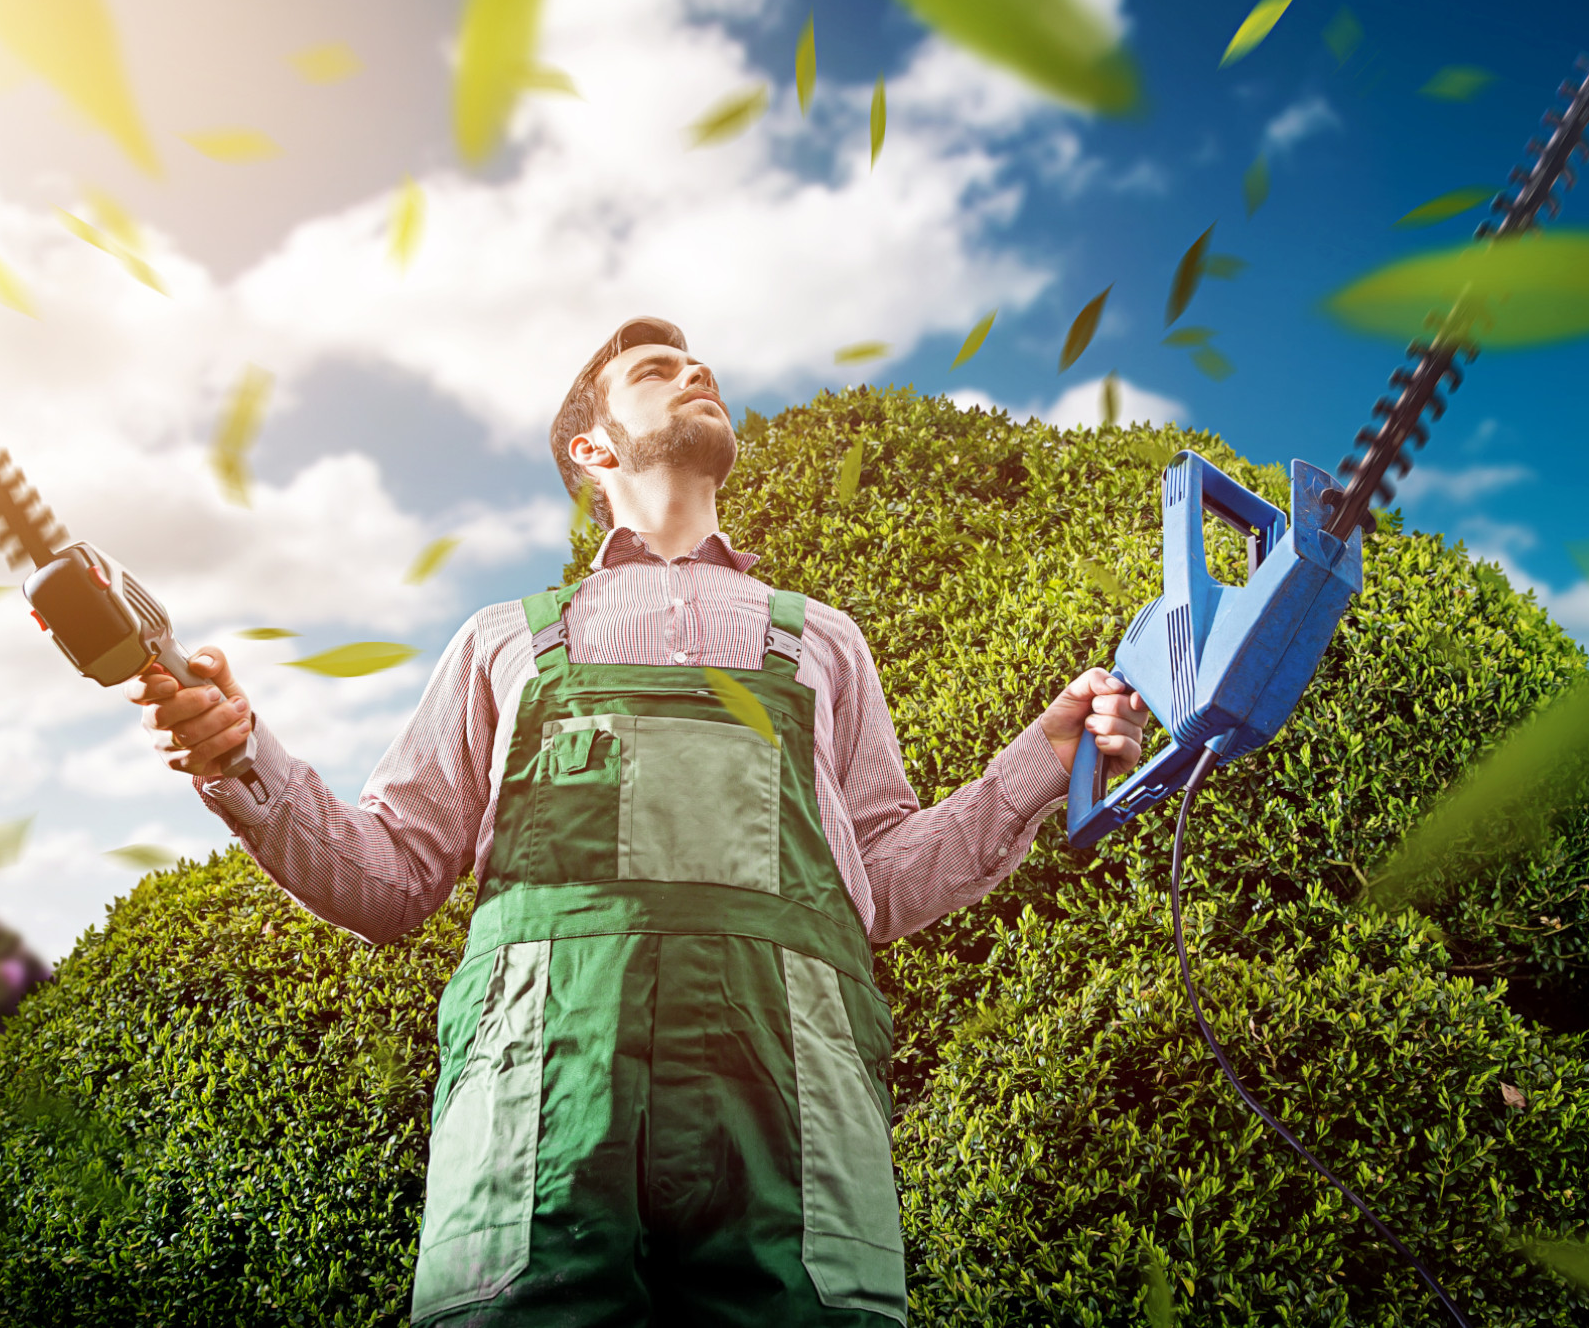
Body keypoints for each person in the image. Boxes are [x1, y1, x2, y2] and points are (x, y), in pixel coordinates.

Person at [127, 316, 1149, 1327]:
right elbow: (388, 879)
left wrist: (1044, 762)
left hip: (788, 1090)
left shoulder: (824, 644)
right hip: (544, 1100)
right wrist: (238, 757)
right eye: (658, 370)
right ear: (592, 447)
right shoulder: (501, 645)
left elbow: (874, 883)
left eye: (700, 364)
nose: (696, 369)